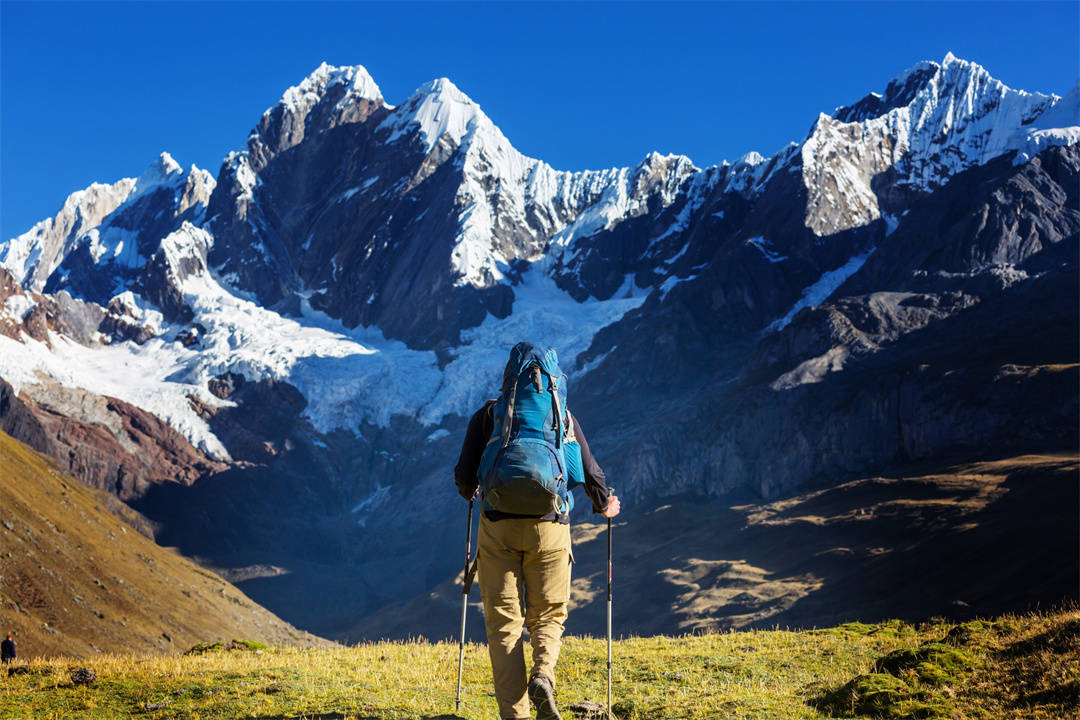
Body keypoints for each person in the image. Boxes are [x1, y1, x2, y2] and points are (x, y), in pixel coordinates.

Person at [455, 343, 621, 720]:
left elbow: (464, 478)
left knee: (503, 624)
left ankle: (516, 717)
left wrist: (473, 490)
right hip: (550, 527)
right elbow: (590, 474)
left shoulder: (488, 416)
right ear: (553, 380)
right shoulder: (562, 417)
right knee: (547, 614)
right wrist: (606, 504)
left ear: (508, 379)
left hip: (497, 527)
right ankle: (543, 674)